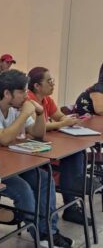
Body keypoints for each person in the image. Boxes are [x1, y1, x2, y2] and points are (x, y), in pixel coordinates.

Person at [0, 70, 74, 247]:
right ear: (7, 93)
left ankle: (49, 232)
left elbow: (38, 134)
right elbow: (3, 139)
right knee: (23, 190)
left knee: (45, 179)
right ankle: (41, 234)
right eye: (22, 92)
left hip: (8, 163)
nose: (26, 96)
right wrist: (25, 114)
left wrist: (39, 114)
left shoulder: (15, 107)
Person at [27, 66, 93, 225]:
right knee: (72, 157)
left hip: (47, 141)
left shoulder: (47, 99)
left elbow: (59, 116)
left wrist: (69, 120)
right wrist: (63, 123)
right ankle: (71, 198)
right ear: (37, 85)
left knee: (77, 152)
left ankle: (71, 202)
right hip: (32, 146)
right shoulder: (29, 100)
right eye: (49, 81)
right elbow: (36, 127)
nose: (53, 84)